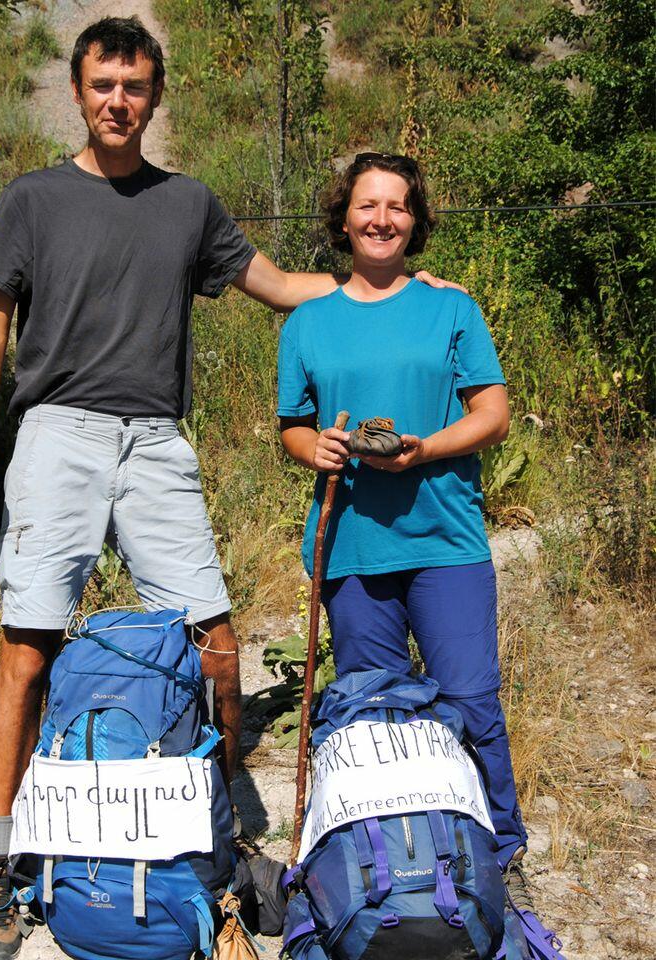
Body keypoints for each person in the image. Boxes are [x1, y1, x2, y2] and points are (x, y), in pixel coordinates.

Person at [0, 19, 458, 958]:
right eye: (102, 84)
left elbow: (275, 285)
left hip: (155, 442)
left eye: (134, 86)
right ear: (77, 88)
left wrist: (385, 283)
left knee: (216, 648)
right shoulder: (33, 198)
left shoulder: (189, 203)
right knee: (27, 648)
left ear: (155, 95)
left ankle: (212, 855)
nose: (117, 101)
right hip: (56, 431)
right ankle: (0, 866)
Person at [277, 153, 532, 903]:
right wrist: (315, 446)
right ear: (343, 217)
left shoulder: (451, 307)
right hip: (352, 542)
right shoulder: (309, 321)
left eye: (397, 206)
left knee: (469, 700)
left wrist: (426, 448)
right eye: (367, 205)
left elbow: (493, 414)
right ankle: (395, 865)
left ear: (415, 221)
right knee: (376, 717)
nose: (381, 219)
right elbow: (293, 425)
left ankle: (499, 859)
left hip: (445, 538)